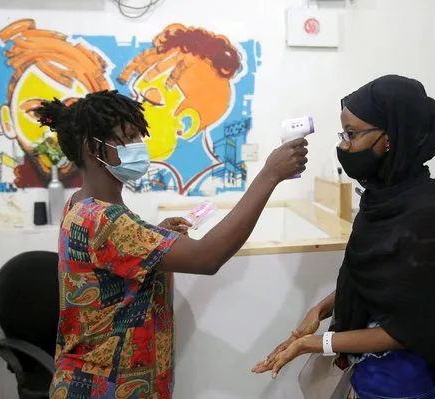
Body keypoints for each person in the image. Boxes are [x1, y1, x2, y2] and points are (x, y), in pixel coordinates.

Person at [34, 89, 308, 399]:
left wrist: (155, 237)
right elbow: (207, 257)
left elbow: (113, 260)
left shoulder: (82, 204)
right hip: (104, 388)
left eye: (139, 135)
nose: (139, 146)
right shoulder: (103, 220)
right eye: (127, 137)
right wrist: (269, 175)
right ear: (91, 149)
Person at [252, 75, 435, 399]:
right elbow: (376, 281)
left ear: (389, 137)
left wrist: (315, 344)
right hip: (365, 376)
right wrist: (322, 308)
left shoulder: (427, 208)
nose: (344, 145)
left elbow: (410, 326)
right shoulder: (379, 199)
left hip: (403, 385)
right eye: (344, 134)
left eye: (352, 134)